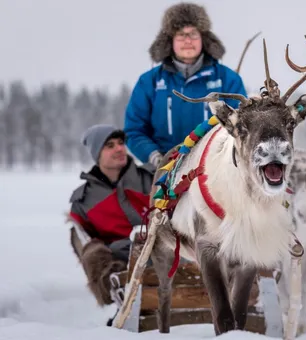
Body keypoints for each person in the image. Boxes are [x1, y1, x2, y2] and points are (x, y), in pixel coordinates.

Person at [124, 2, 248, 167]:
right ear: (170, 41)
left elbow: (241, 125)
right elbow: (134, 130)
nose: (188, 40)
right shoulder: (149, 82)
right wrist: (155, 157)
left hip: (214, 169)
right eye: (181, 35)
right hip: (162, 171)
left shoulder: (228, 79)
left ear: (203, 39)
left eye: (193, 34)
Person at [68, 124, 155, 307]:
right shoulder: (84, 201)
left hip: (168, 253)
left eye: (121, 143)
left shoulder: (151, 178)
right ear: (97, 153)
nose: (119, 149)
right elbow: (82, 241)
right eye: (110, 145)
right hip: (124, 267)